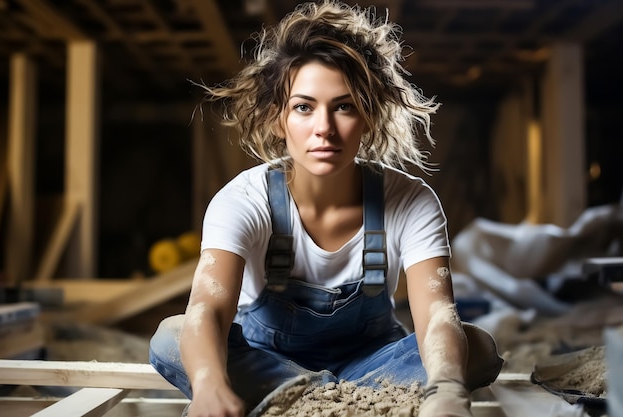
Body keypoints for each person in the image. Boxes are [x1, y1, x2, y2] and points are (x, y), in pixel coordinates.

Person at [149, 1, 503, 416]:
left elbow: (438, 312)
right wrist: (208, 383)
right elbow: (206, 308)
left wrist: (446, 388)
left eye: (344, 105)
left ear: (368, 116)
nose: (324, 128)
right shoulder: (243, 201)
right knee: (171, 336)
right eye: (304, 107)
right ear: (278, 119)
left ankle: (303, 402)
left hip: (374, 368)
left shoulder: (410, 199)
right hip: (271, 364)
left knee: (476, 346)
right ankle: (331, 399)